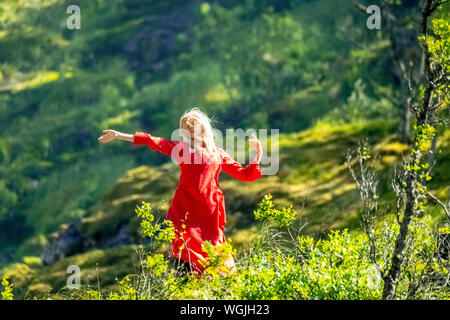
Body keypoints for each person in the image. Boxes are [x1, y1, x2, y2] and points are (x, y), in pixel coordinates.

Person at [98, 108, 263, 274]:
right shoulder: (187, 150)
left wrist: (258, 156)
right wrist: (119, 135)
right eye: (187, 126)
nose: (190, 129)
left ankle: (215, 281)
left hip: (205, 210)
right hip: (189, 208)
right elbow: (152, 141)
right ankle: (197, 284)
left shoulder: (210, 152)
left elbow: (245, 175)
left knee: (205, 246)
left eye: (192, 126)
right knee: (188, 246)